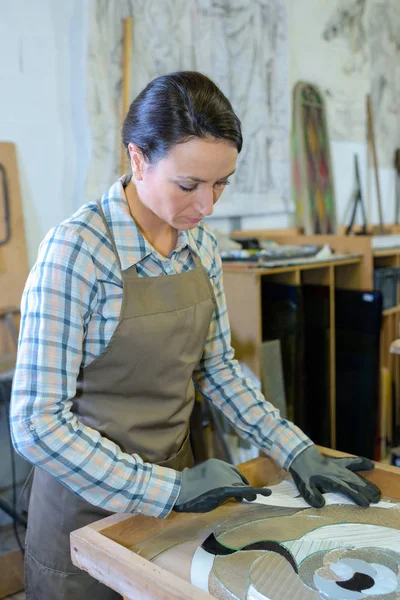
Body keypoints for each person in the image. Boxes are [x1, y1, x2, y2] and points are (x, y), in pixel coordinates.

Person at [10, 71, 380, 599]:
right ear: (138, 159)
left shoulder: (199, 246)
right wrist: (164, 488)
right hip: (86, 513)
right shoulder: (77, 253)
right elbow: (35, 423)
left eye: (221, 183)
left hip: (184, 499)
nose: (208, 207)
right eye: (189, 185)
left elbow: (217, 367)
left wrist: (294, 449)